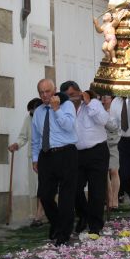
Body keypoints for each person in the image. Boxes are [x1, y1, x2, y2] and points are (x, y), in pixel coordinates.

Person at [31, 79, 78, 246]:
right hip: (46, 156)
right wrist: (35, 158)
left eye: (47, 91)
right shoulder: (38, 112)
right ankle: (58, 224)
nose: (45, 95)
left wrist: (56, 109)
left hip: (66, 152)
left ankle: (63, 233)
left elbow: (69, 126)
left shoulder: (67, 106)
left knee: (66, 197)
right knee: (44, 195)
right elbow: (36, 138)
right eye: (41, 92)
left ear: (55, 90)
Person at [60, 82, 110, 236]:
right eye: (67, 96)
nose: (70, 98)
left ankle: (95, 225)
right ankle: (83, 215)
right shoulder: (64, 109)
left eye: (72, 94)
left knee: (97, 190)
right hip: (76, 153)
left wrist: (89, 102)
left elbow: (103, 120)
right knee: (74, 187)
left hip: (97, 152)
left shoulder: (93, 103)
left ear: (79, 92)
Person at [8, 97, 45, 227]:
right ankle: (38, 214)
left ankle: (39, 215)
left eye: (33, 111)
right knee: (35, 187)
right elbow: (23, 136)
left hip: (48, 156)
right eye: (30, 112)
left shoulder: (49, 116)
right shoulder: (29, 118)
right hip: (33, 158)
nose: (32, 114)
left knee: (45, 186)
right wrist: (16, 145)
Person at [101, 94, 121, 211]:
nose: (103, 99)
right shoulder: (98, 110)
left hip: (115, 142)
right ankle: (109, 198)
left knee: (114, 170)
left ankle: (115, 198)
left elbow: (115, 126)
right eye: (102, 97)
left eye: (106, 97)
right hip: (102, 142)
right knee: (105, 172)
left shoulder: (114, 110)